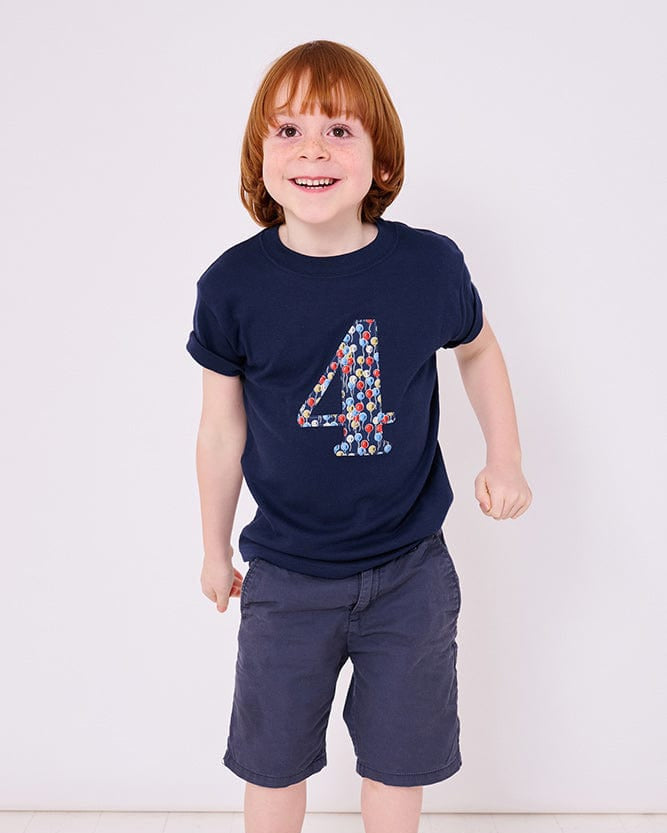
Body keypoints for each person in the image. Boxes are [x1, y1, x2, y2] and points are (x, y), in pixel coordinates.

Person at [186, 38, 532, 833]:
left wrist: (504, 456)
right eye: (288, 130)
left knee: (397, 761)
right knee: (272, 760)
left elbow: (477, 348)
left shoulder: (428, 267)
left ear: (380, 160)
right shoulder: (232, 286)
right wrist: (213, 547)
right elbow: (219, 431)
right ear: (259, 157)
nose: (312, 148)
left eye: (338, 130)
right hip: (285, 576)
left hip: (408, 570)